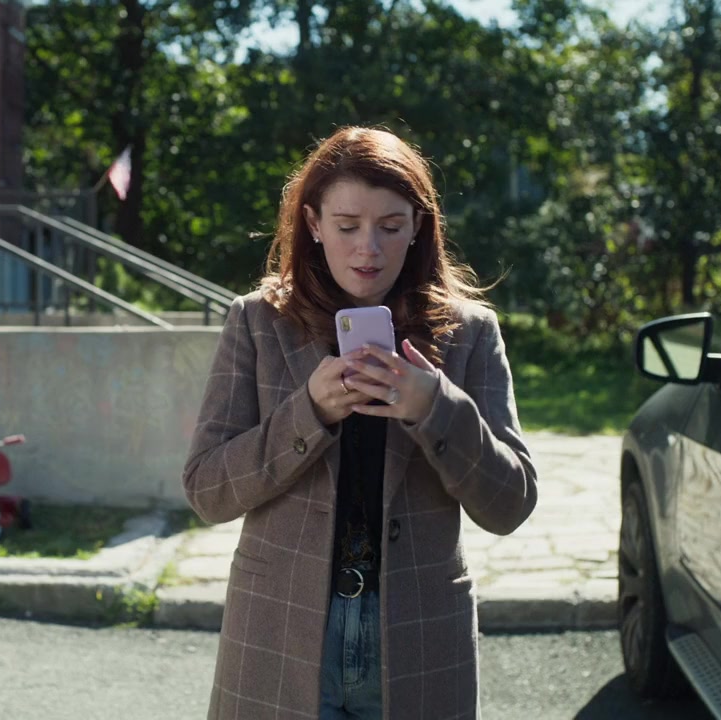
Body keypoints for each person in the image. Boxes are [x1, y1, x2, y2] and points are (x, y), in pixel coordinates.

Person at [182, 126, 538, 719]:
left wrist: (435, 407)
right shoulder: (258, 322)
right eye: (347, 226)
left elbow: (510, 505)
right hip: (280, 630)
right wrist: (308, 413)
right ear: (314, 223)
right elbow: (207, 491)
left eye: (390, 226)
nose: (368, 249)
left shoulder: (470, 333)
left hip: (418, 633)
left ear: (418, 225)